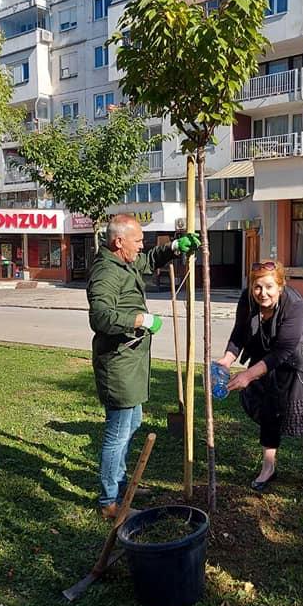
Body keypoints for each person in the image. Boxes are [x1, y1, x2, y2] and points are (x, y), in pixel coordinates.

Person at [87, 214, 200, 519]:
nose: (141, 245)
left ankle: (121, 484)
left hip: (131, 361)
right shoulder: (106, 273)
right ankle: (109, 502)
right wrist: (142, 320)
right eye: (137, 240)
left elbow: (149, 261)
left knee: (131, 424)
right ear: (118, 242)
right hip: (118, 364)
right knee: (118, 432)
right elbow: (101, 317)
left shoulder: (124, 262)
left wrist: (175, 247)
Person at [216, 260, 303, 499]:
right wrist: (227, 359)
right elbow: (239, 331)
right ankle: (268, 467)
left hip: (300, 354)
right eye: (257, 287)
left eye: (268, 287)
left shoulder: (294, 304)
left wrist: (247, 374)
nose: (262, 293)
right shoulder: (248, 298)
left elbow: (283, 350)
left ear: (280, 285)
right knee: (269, 407)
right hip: (264, 347)